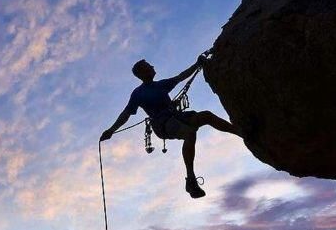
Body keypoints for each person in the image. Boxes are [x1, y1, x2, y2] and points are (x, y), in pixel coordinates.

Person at [99, 55, 242, 199]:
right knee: (190, 133)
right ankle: (191, 180)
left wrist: (197, 64)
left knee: (206, 116)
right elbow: (126, 113)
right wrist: (111, 130)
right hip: (163, 125)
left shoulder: (160, 85)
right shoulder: (138, 94)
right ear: (142, 73)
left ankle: (240, 132)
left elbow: (181, 77)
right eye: (149, 66)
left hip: (175, 117)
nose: (153, 67)